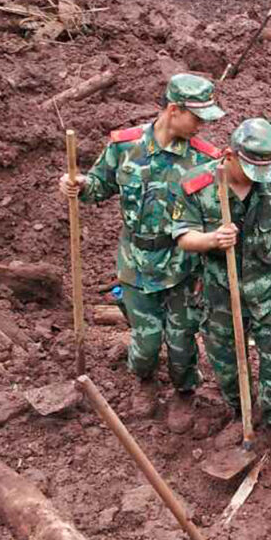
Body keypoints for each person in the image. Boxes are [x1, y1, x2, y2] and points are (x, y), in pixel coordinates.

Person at [57, 73, 225, 428]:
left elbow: (213, 216)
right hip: (136, 262)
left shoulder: (205, 160)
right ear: (174, 110)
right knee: (146, 339)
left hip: (183, 264)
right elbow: (98, 187)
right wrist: (78, 185)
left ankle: (183, 392)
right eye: (197, 118)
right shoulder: (124, 146)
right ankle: (143, 380)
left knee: (181, 340)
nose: (202, 126)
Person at [174, 118, 271, 437]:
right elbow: (182, 236)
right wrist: (212, 240)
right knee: (227, 361)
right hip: (219, 290)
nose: (257, 178)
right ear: (229, 155)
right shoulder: (196, 184)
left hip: (268, 286)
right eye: (249, 170)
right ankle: (240, 411)